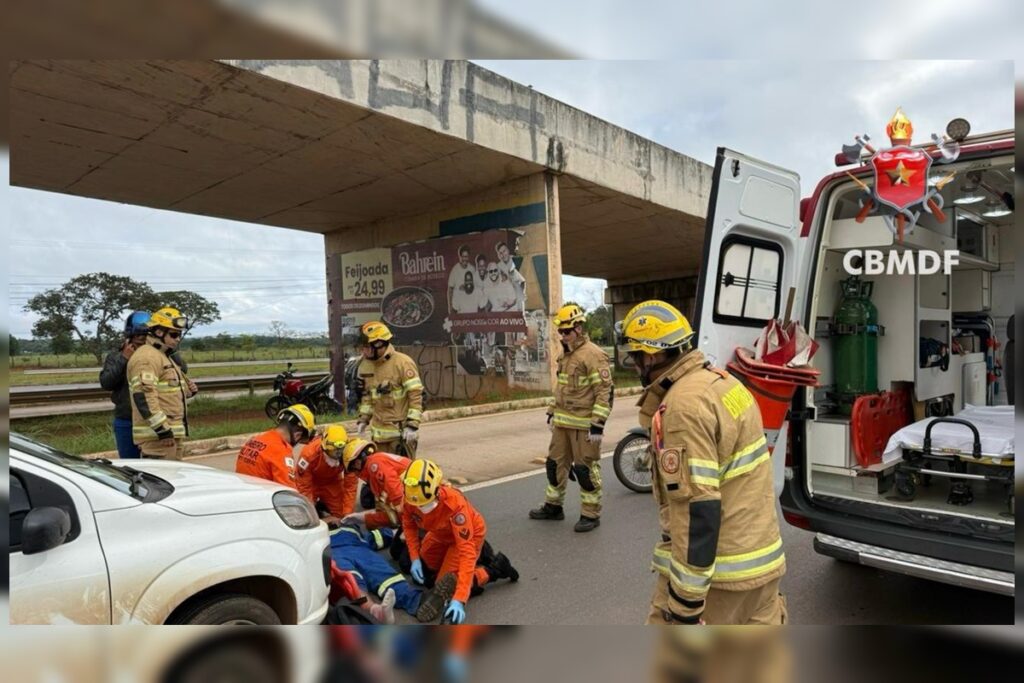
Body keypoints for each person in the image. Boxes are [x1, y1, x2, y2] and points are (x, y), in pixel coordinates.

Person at [617, 300, 786, 625]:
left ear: (651, 356)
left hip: (721, 582)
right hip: (762, 569)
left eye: (635, 356)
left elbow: (698, 512)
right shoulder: (725, 384)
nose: (635, 365)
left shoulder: (683, 408)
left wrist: (685, 608)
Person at [401, 459, 518, 624]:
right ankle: (480, 554)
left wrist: (459, 598)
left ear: (437, 489)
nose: (421, 508)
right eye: (419, 505)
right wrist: (414, 558)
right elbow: (409, 525)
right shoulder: (411, 496)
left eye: (425, 504)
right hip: (440, 533)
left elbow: (466, 552)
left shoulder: (455, 506)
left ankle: (495, 569)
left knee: (444, 584)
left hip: (465, 538)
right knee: (426, 570)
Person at [529, 304, 613, 532]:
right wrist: (551, 411)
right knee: (554, 465)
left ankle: (590, 514)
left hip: (585, 426)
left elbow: (604, 392)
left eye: (567, 331)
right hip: (562, 424)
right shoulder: (565, 355)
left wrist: (597, 425)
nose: (563, 336)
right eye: (560, 332)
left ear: (579, 328)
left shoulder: (593, 355)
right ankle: (553, 507)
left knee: (585, 470)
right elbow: (562, 388)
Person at [127, 306, 198, 459]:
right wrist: (162, 430)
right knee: (160, 481)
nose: (177, 339)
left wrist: (187, 390)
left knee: (173, 480)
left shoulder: (163, 355)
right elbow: (144, 397)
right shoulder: (147, 358)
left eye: (179, 335)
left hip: (171, 436)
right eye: (173, 334)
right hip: (158, 439)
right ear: (159, 332)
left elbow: (166, 391)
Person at [355, 321, 424, 457]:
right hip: (378, 436)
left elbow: (415, 395)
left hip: (400, 436)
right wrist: (363, 419)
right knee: (380, 475)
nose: (363, 351)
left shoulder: (403, 363)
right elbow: (367, 396)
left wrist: (412, 425)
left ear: (379, 344)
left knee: (403, 475)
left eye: (366, 347)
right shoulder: (366, 365)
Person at [100, 311, 151, 459]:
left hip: (152, 419)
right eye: (138, 335)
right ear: (129, 336)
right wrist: (124, 359)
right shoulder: (115, 356)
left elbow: (182, 368)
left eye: (146, 335)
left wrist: (168, 349)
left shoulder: (157, 355)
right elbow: (106, 383)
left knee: (155, 466)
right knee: (130, 465)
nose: (142, 339)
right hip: (126, 419)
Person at [235, 404, 316, 488]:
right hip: (260, 497)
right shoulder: (281, 451)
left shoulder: (255, 440)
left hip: (242, 492)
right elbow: (288, 492)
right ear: (298, 433)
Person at [339, 438, 411, 531]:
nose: (355, 472)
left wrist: (401, 511)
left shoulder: (375, 464)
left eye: (353, 468)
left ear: (357, 462)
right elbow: (386, 511)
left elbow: (393, 487)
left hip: (417, 492)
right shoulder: (374, 475)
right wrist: (364, 518)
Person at [297, 424, 359, 524]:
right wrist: (311, 511)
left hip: (332, 482)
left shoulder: (349, 455)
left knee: (342, 516)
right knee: (306, 516)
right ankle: (318, 507)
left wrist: (348, 514)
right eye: (334, 451)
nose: (338, 454)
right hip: (312, 483)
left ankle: (323, 505)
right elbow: (304, 487)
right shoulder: (308, 455)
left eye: (340, 451)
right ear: (324, 447)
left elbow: (351, 486)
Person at [447, 245, 474, 314]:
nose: (465, 259)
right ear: (460, 257)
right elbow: (450, 290)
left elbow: (475, 287)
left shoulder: (472, 269)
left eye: (466, 256)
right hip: (458, 309)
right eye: (463, 256)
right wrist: (450, 308)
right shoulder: (455, 270)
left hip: (470, 306)